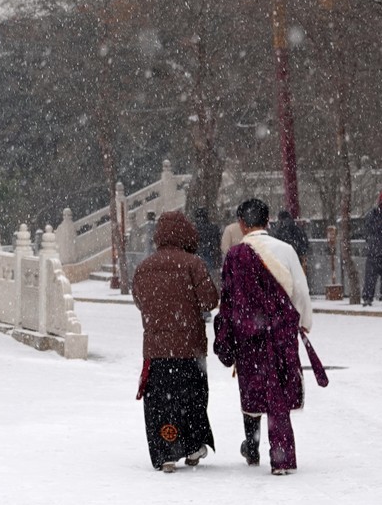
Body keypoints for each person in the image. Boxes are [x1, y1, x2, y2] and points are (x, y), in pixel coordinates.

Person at [213, 198, 313, 476]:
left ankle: (253, 446)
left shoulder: (235, 256)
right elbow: (301, 292)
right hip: (281, 333)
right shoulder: (286, 250)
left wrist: (226, 337)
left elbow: (228, 301)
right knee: (277, 392)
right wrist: (304, 322)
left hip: (249, 337)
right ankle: (282, 455)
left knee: (254, 392)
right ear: (268, 222)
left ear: (241, 224)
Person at [132, 211, 219, 473]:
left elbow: (139, 301)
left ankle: (165, 452)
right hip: (190, 348)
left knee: (160, 404)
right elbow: (210, 301)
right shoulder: (193, 264)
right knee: (192, 400)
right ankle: (192, 447)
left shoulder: (144, 267)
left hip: (157, 350)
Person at [270, 210, 311, 274]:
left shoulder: (278, 230)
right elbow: (305, 244)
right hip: (297, 260)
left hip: (283, 262)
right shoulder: (298, 228)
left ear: (280, 218)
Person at [193, 207, 222, 284]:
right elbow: (218, 243)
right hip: (212, 256)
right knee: (213, 280)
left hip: (198, 258)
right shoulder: (213, 228)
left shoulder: (193, 229)